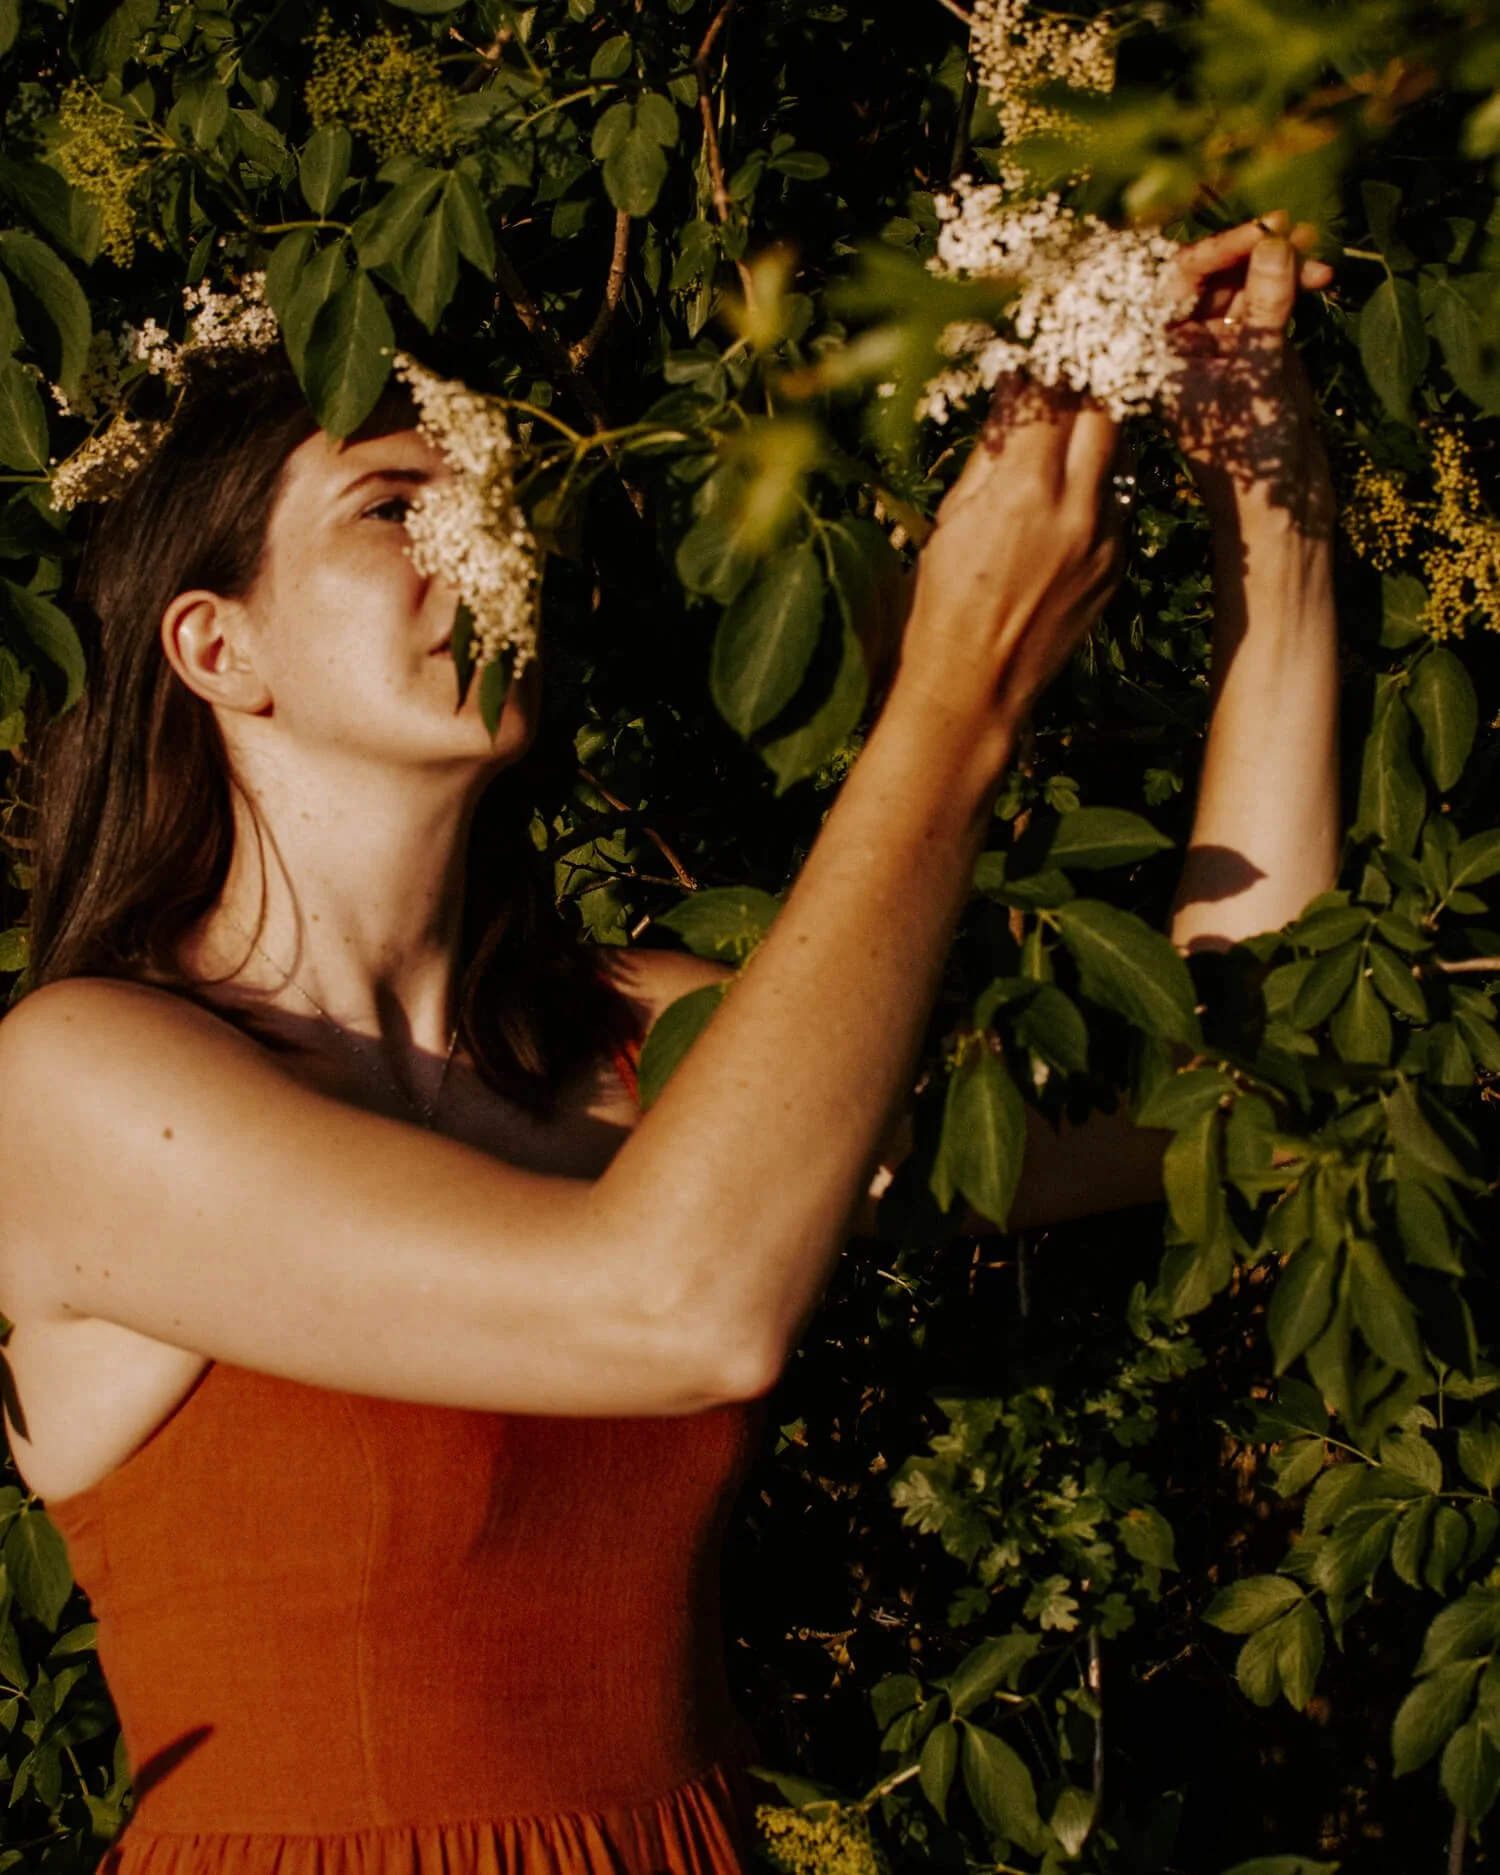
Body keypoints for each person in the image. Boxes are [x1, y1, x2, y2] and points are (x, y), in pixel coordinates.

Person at [0, 217, 1336, 1875]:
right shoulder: (73, 1079)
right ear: (218, 647)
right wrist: (955, 690)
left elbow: (1240, 1098)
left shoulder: (638, 1035)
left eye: (486, 503)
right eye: (391, 504)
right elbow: (673, 1302)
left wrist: (1266, 511)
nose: (472, 544)